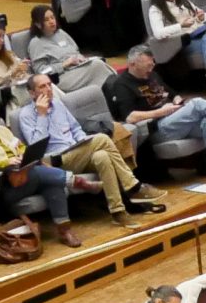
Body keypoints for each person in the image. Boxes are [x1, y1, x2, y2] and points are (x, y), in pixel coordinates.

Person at [103, 47, 206, 185]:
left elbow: (171, 93)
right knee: (198, 104)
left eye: (152, 62)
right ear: (132, 64)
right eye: (147, 63)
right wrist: (161, 111)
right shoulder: (122, 84)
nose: (152, 65)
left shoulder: (151, 74)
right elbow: (130, 117)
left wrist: (177, 101)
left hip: (175, 119)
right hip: (158, 128)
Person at [20, 73, 161, 224]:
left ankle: (118, 212)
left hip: (77, 152)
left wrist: (83, 142)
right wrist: (41, 115)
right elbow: (36, 147)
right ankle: (133, 186)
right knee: (102, 138)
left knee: (102, 156)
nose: (48, 89)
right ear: (32, 93)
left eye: (49, 84)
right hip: (55, 161)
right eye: (42, 86)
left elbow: (75, 129)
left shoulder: (58, 105)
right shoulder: (25, 115)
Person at [0, 100, 79, 247]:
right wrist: (5, 163)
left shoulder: (3, 130)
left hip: (25, 174)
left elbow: (21, 147)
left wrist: (24, 156)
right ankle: (72, 180)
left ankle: (65, 230)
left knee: (51, 184)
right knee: (37, 173)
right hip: (7, 186)